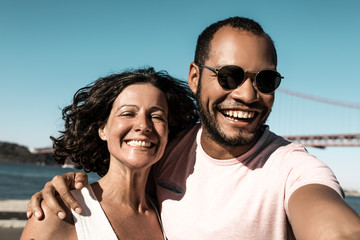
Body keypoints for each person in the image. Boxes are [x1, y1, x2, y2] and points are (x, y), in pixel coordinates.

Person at [27, 17, 360, 239]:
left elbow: (333, 225)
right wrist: (67, 185)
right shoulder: (169, 151)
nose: (247, 95)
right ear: (195, 77)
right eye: (229, 76)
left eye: (266, 80)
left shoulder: (294, 168)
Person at [21, 67, 199, 239]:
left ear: (168, 132)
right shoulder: (59, 214)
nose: (144, 126)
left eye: (157, 116)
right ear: (102, 129)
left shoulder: (169, 215)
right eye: (128, 113)